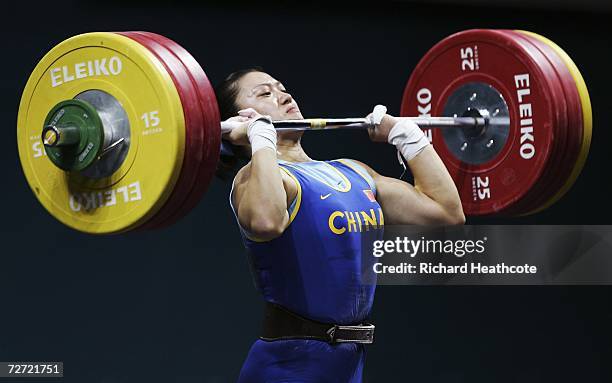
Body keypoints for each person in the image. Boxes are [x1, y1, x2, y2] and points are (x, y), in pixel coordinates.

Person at [216, 68, 464, 382]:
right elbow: (266, 221)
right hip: (288, 366)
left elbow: (446, 213)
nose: (284, 96)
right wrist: (261, 140)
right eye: (265, 93)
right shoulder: (255, 178)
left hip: (347, 364)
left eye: (282, 88)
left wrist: (407, 137)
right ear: (239, 119)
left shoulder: (353, 171)